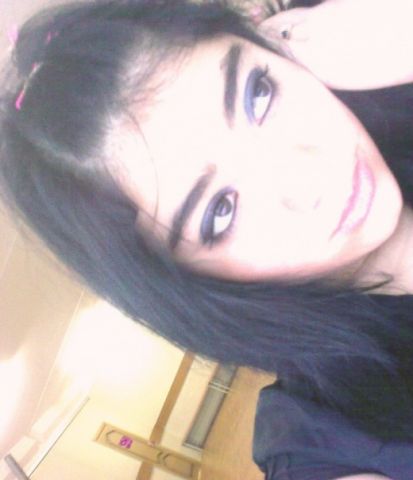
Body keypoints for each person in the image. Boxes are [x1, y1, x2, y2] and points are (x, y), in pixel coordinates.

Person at [0, 0, 413, 477]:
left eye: (259, 95)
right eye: (220, 211)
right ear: (190, 284)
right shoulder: (333, 441)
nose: (307, 175)